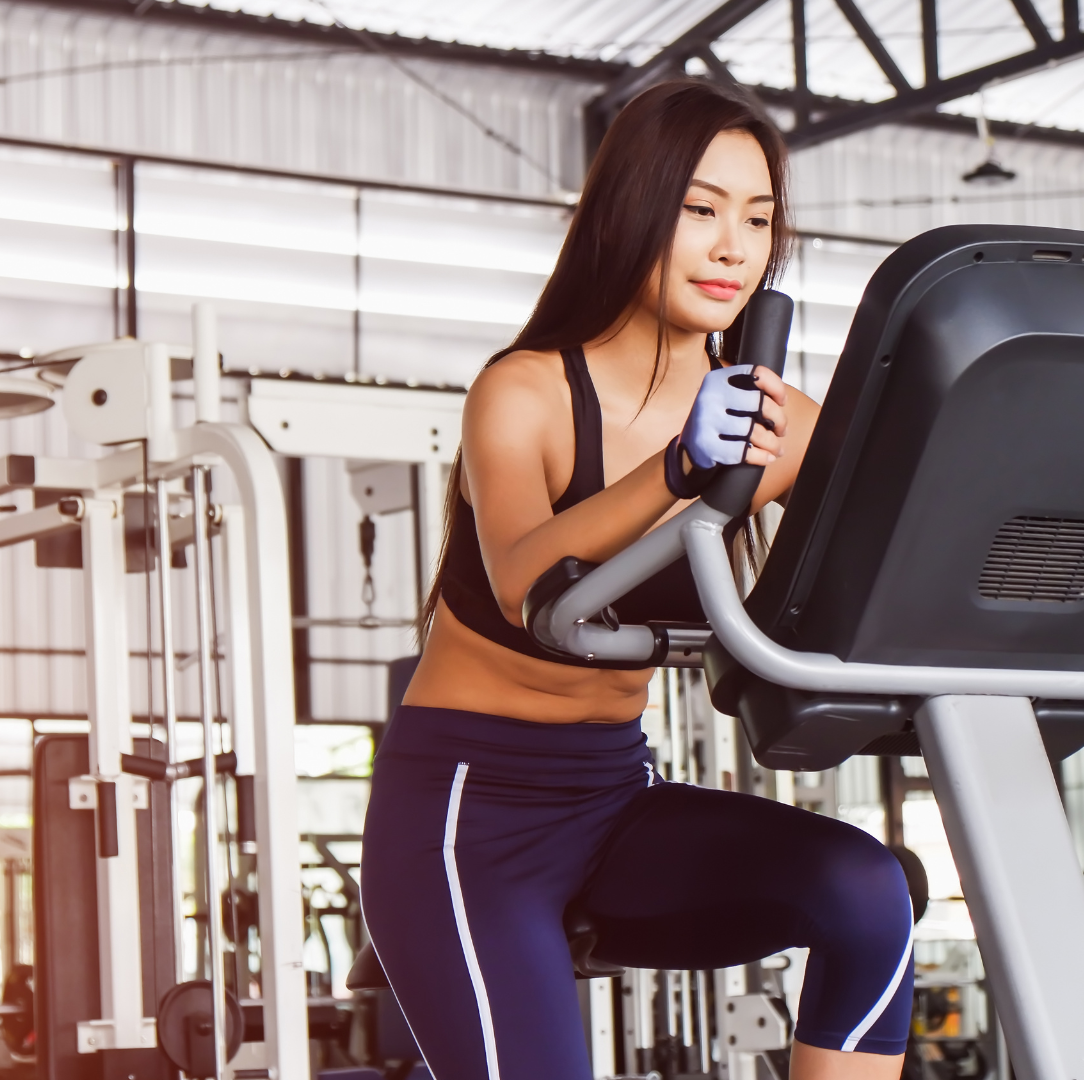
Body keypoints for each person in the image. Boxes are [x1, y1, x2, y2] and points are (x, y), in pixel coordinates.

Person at [360, 79, 915, 1080]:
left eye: (758, 220)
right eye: (701, 209)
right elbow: (533, 583)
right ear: (635, 211)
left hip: (613, 801)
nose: (734, 248)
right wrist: (677, 472)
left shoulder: (770, 416)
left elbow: (921, 514)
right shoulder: (523, 391)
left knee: (865, 889)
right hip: (464, 822)